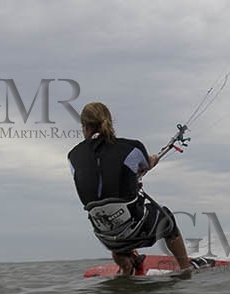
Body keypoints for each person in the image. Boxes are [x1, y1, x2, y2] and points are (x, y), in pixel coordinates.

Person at [67, 101, 196, 276]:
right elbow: (147, 163)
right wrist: (150, 161)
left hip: (106, 237)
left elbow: (98, 180)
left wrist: (128, 178)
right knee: (167, 219)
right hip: (134, 230)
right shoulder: (131, 148)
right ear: (109, 123)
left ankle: (126, 264)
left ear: (84, 127)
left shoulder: (73, 157)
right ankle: (186, 269)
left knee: (111, 219)